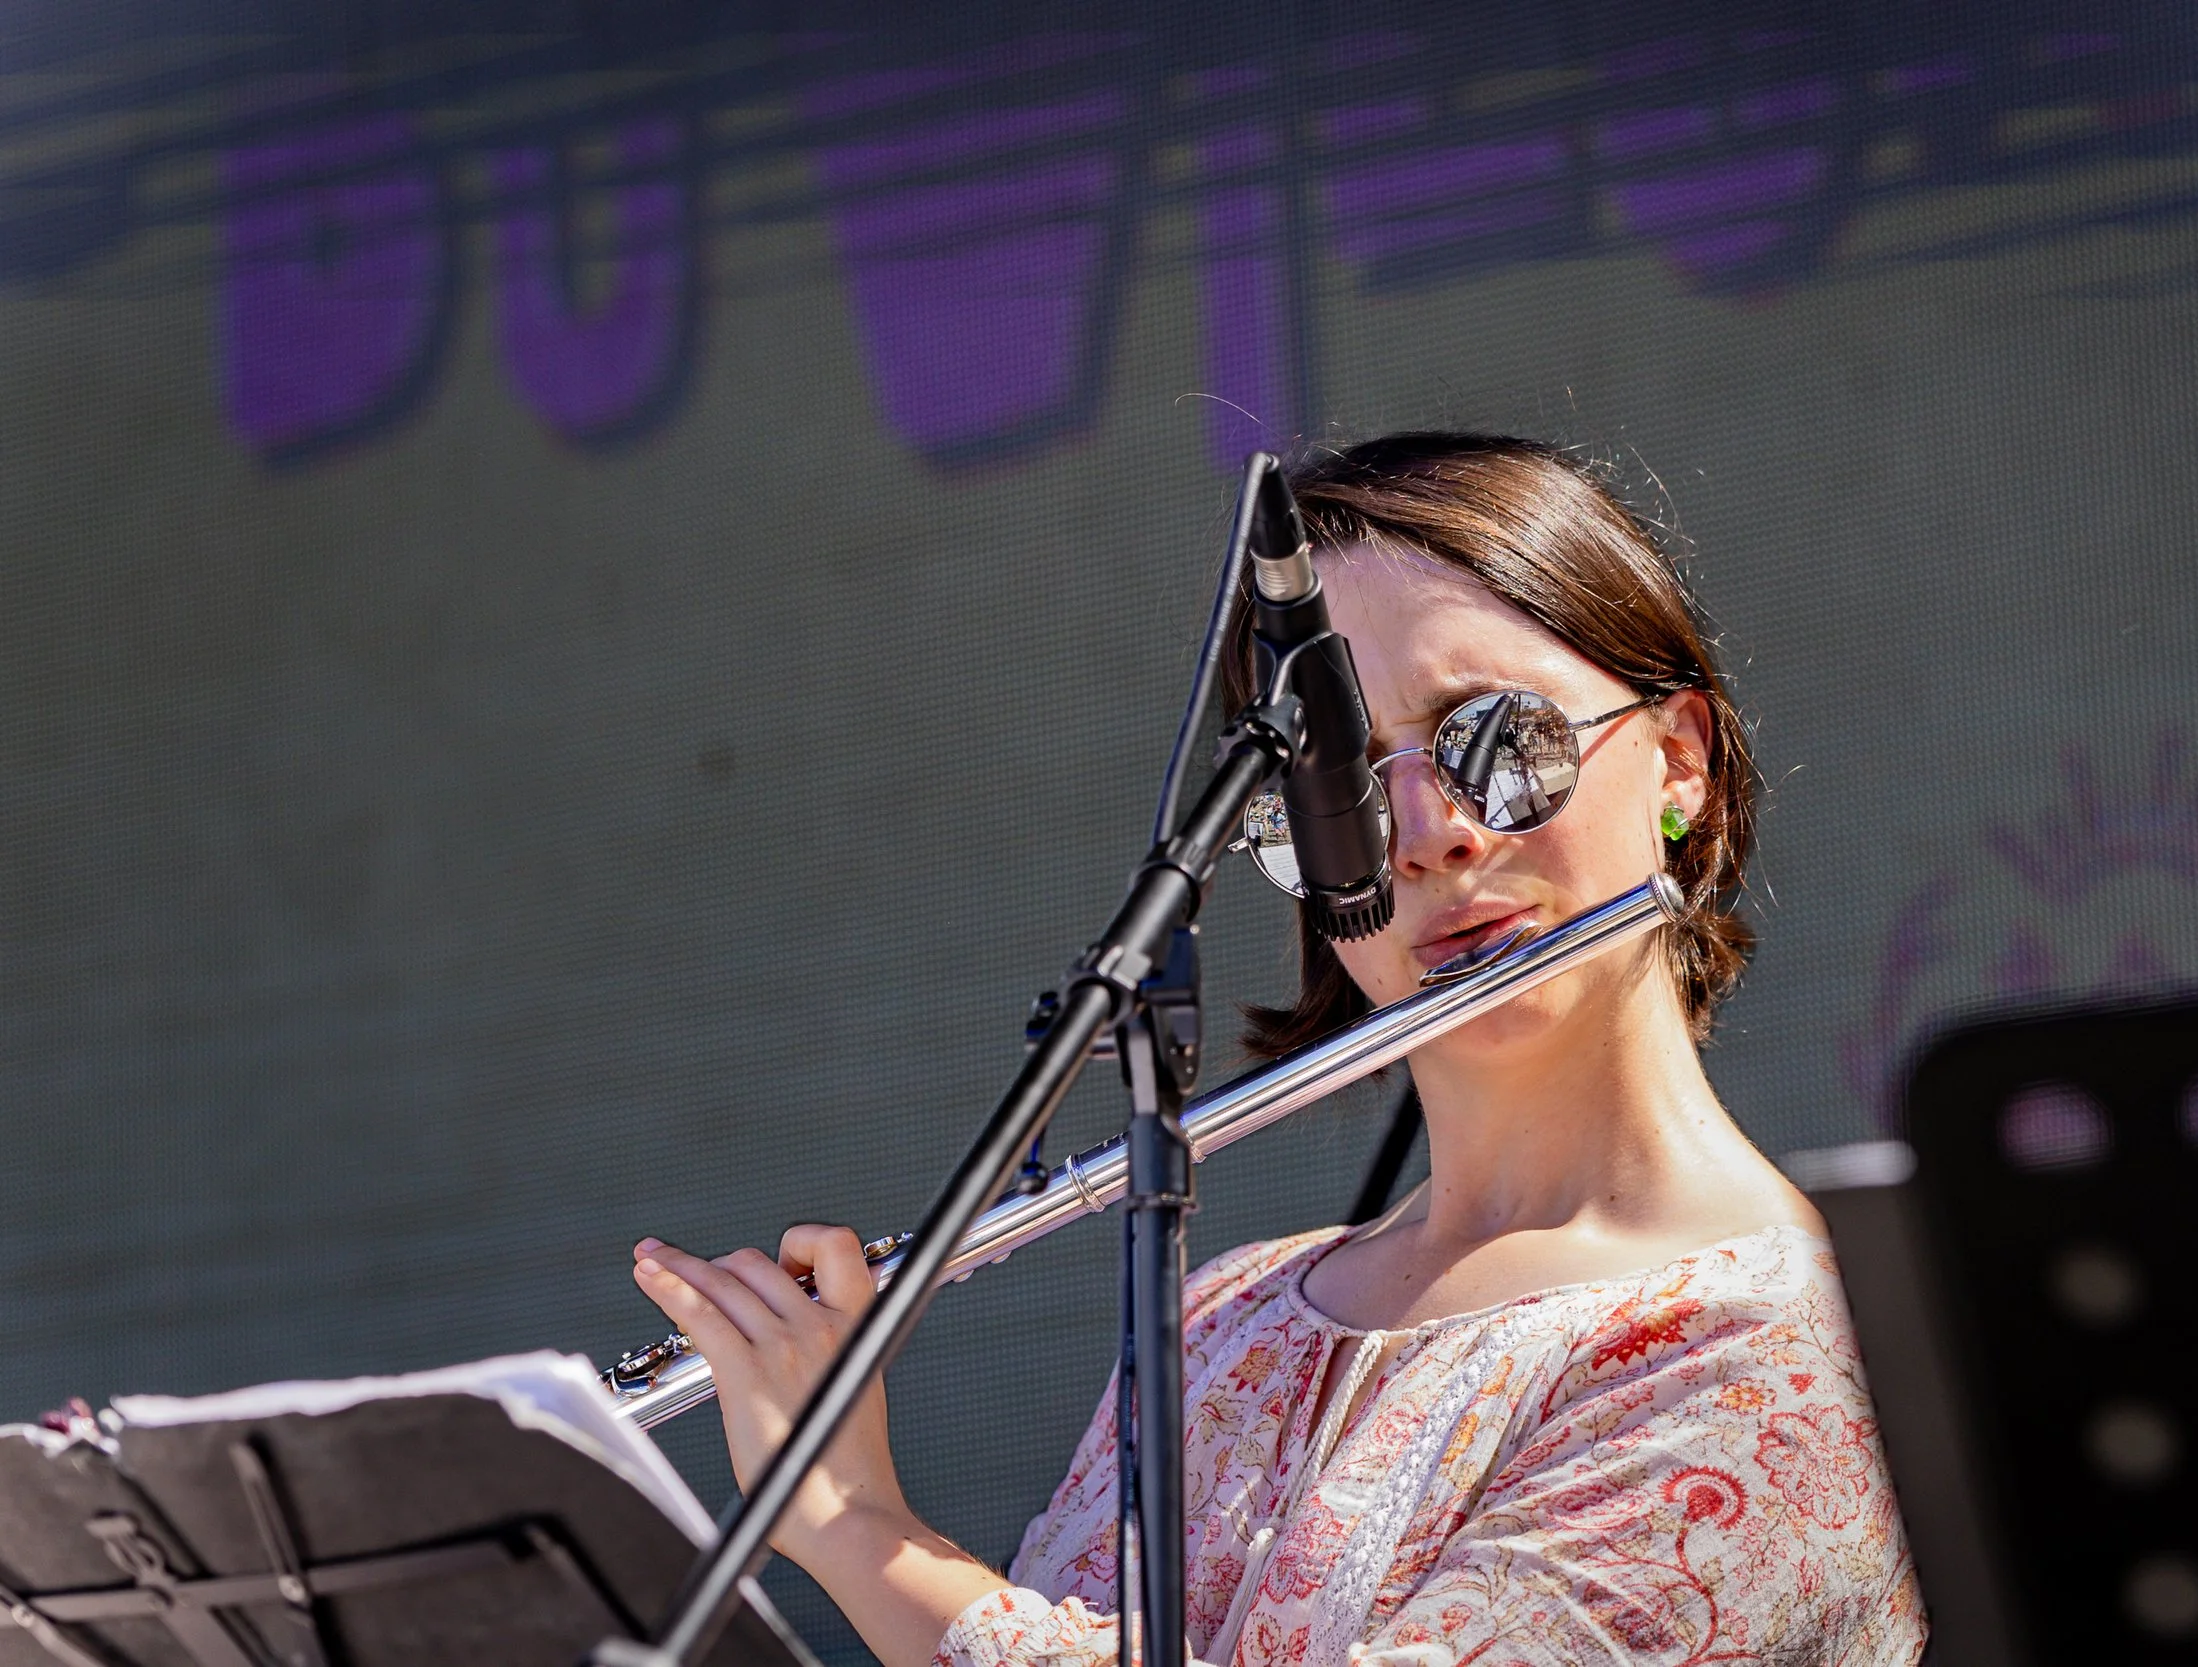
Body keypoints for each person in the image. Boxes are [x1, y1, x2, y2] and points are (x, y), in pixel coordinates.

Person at [629, 433, 1928, 1666]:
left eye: (1494, 737)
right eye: (1342, 786)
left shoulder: (1796, 1347)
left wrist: (858, 1527)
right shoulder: (1226, 1313)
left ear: (1680, 760)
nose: (1427, 835)